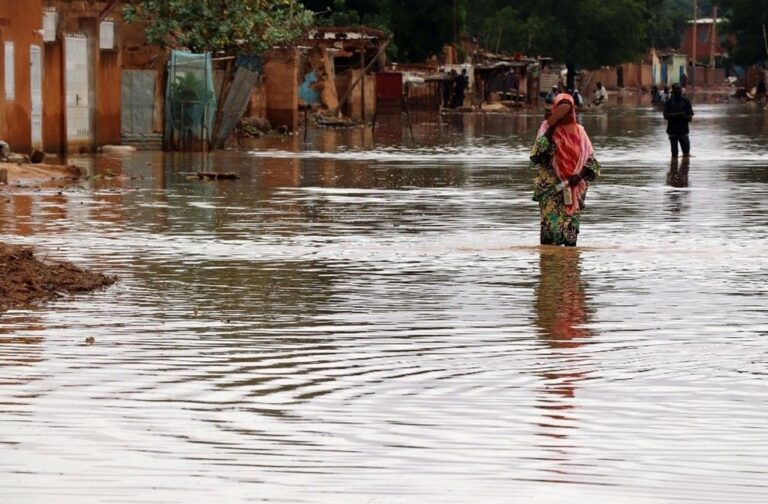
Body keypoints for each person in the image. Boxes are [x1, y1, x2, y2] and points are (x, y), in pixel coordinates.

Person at [529, 93, 601, 246]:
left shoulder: (580, 132)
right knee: (549, 237)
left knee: (570, 242)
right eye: (561, 110)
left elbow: (593, 163)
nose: (565, 115)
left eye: (567, 111)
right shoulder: (546, 129)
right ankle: (550, 267)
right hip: (551, 189)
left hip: (573, 189)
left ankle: (569, 267)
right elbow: (536, 154)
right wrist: (553, 124)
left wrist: (579, 176)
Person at [663, 83, 694, 158]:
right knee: (674, 153)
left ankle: (684, 167)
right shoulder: (669, 102)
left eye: (680, 88)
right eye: (677, 89)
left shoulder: (686, 102)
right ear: (673, 91)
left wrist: (675, 115)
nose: (679, 90)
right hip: (672, 131)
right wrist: (680, 114)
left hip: (683, 131)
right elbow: (666, 116)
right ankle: (673, 168)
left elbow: (690, 117)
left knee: (686, 154)